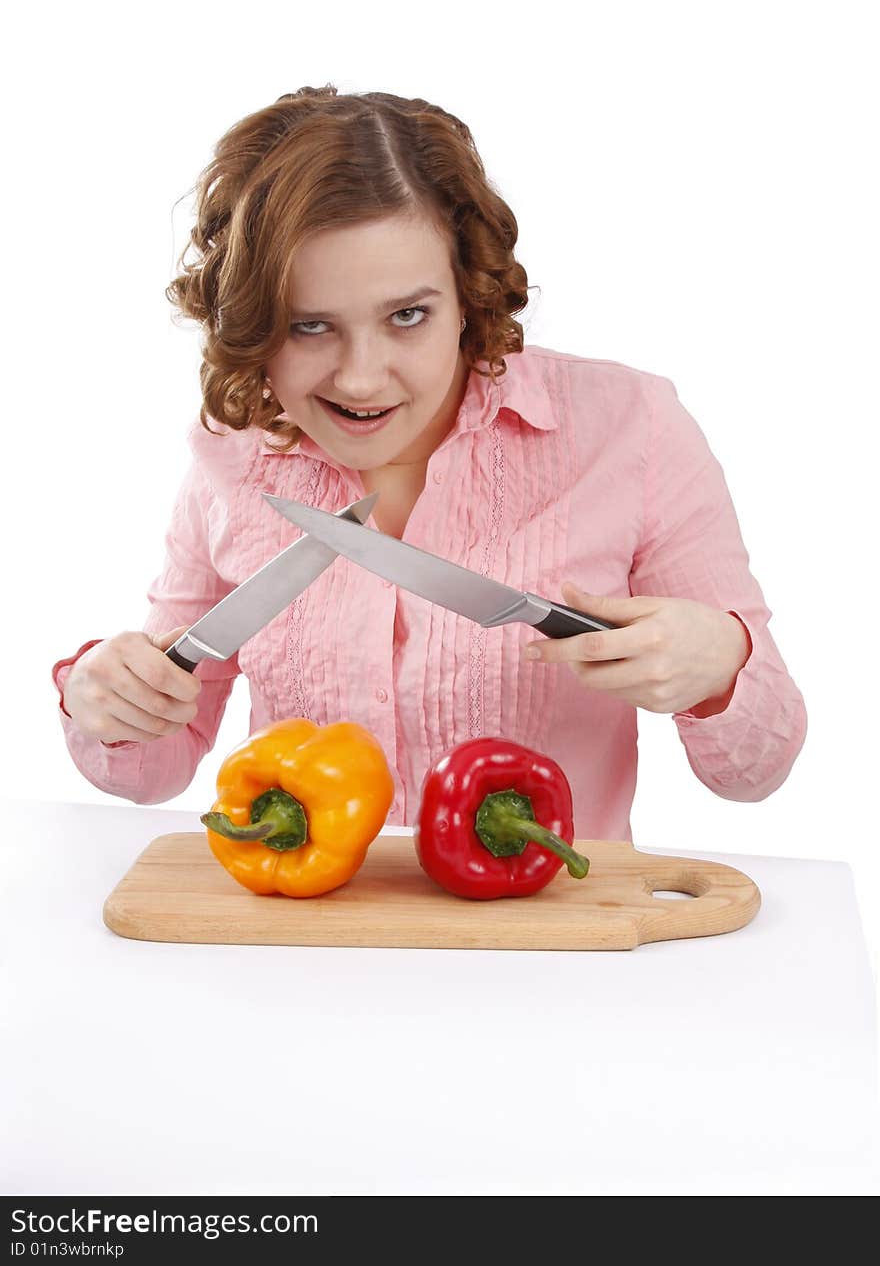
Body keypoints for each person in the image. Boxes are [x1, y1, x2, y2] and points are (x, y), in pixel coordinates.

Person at [51, 86, 807, 836]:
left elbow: (754, 771)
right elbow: (158, 761)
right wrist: (104, 698)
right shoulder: (233, 456)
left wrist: (721, 666)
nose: (360, 377)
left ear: (468, 293)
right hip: (303, 939)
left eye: (407, 315)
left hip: (552, 942)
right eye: (310, 326)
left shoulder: (629, 430)